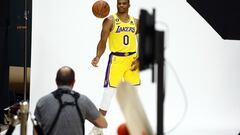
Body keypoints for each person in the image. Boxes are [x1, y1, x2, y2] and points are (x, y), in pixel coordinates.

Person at [89, 0, 140, 134]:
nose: (121, 5)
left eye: (124, 3)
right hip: (117, 60)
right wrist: (98, 56)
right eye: (119, 3)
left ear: (129, 5)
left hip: (132, 60)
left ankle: (133, 127)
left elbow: (141, 40)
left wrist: (140, 58)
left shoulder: (136, 21)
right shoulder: (110, 20)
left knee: (132, 95)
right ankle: (98, 128)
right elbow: (103, 41)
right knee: (108, 94)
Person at [34, 66, 108, 135]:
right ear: (73, 82)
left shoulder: (42, 102)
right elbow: (103, 124)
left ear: (56, 81)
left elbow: (35, 132)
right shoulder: (83, 101)